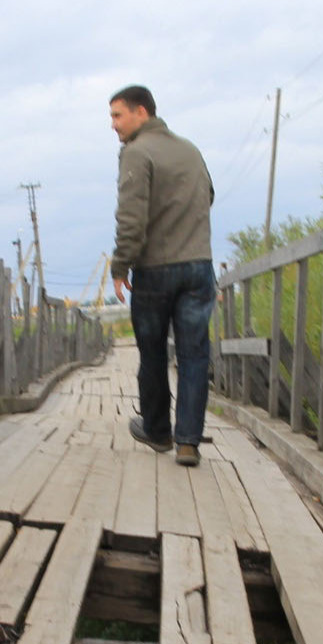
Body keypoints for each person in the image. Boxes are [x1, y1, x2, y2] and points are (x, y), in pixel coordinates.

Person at [108, 85, 215, 468]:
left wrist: (120, 266)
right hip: (198, 265)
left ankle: (157, 430)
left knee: (153, 353)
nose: (113, 125)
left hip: (155, 270)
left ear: (141, 112)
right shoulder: (191, 150)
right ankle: (188, 441)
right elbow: (209, 196)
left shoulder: (136, 153)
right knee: (194, 355)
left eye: (118, 115)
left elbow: (131, 221)